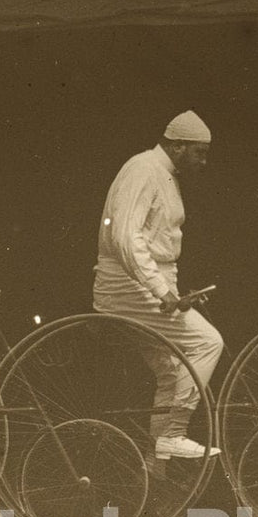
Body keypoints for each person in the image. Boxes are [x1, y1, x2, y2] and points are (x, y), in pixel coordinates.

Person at [94, 110, 224, 461]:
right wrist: (161, 290)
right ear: (178, 146)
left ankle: (157, 473)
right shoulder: (143, 169)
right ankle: (174, 432)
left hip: (146, 286)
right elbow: (125, 236)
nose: (203, 161)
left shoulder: (164, 175)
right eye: (199, 152)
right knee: (208, 342)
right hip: (127, 289)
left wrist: (169, 288)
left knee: (173, 372)